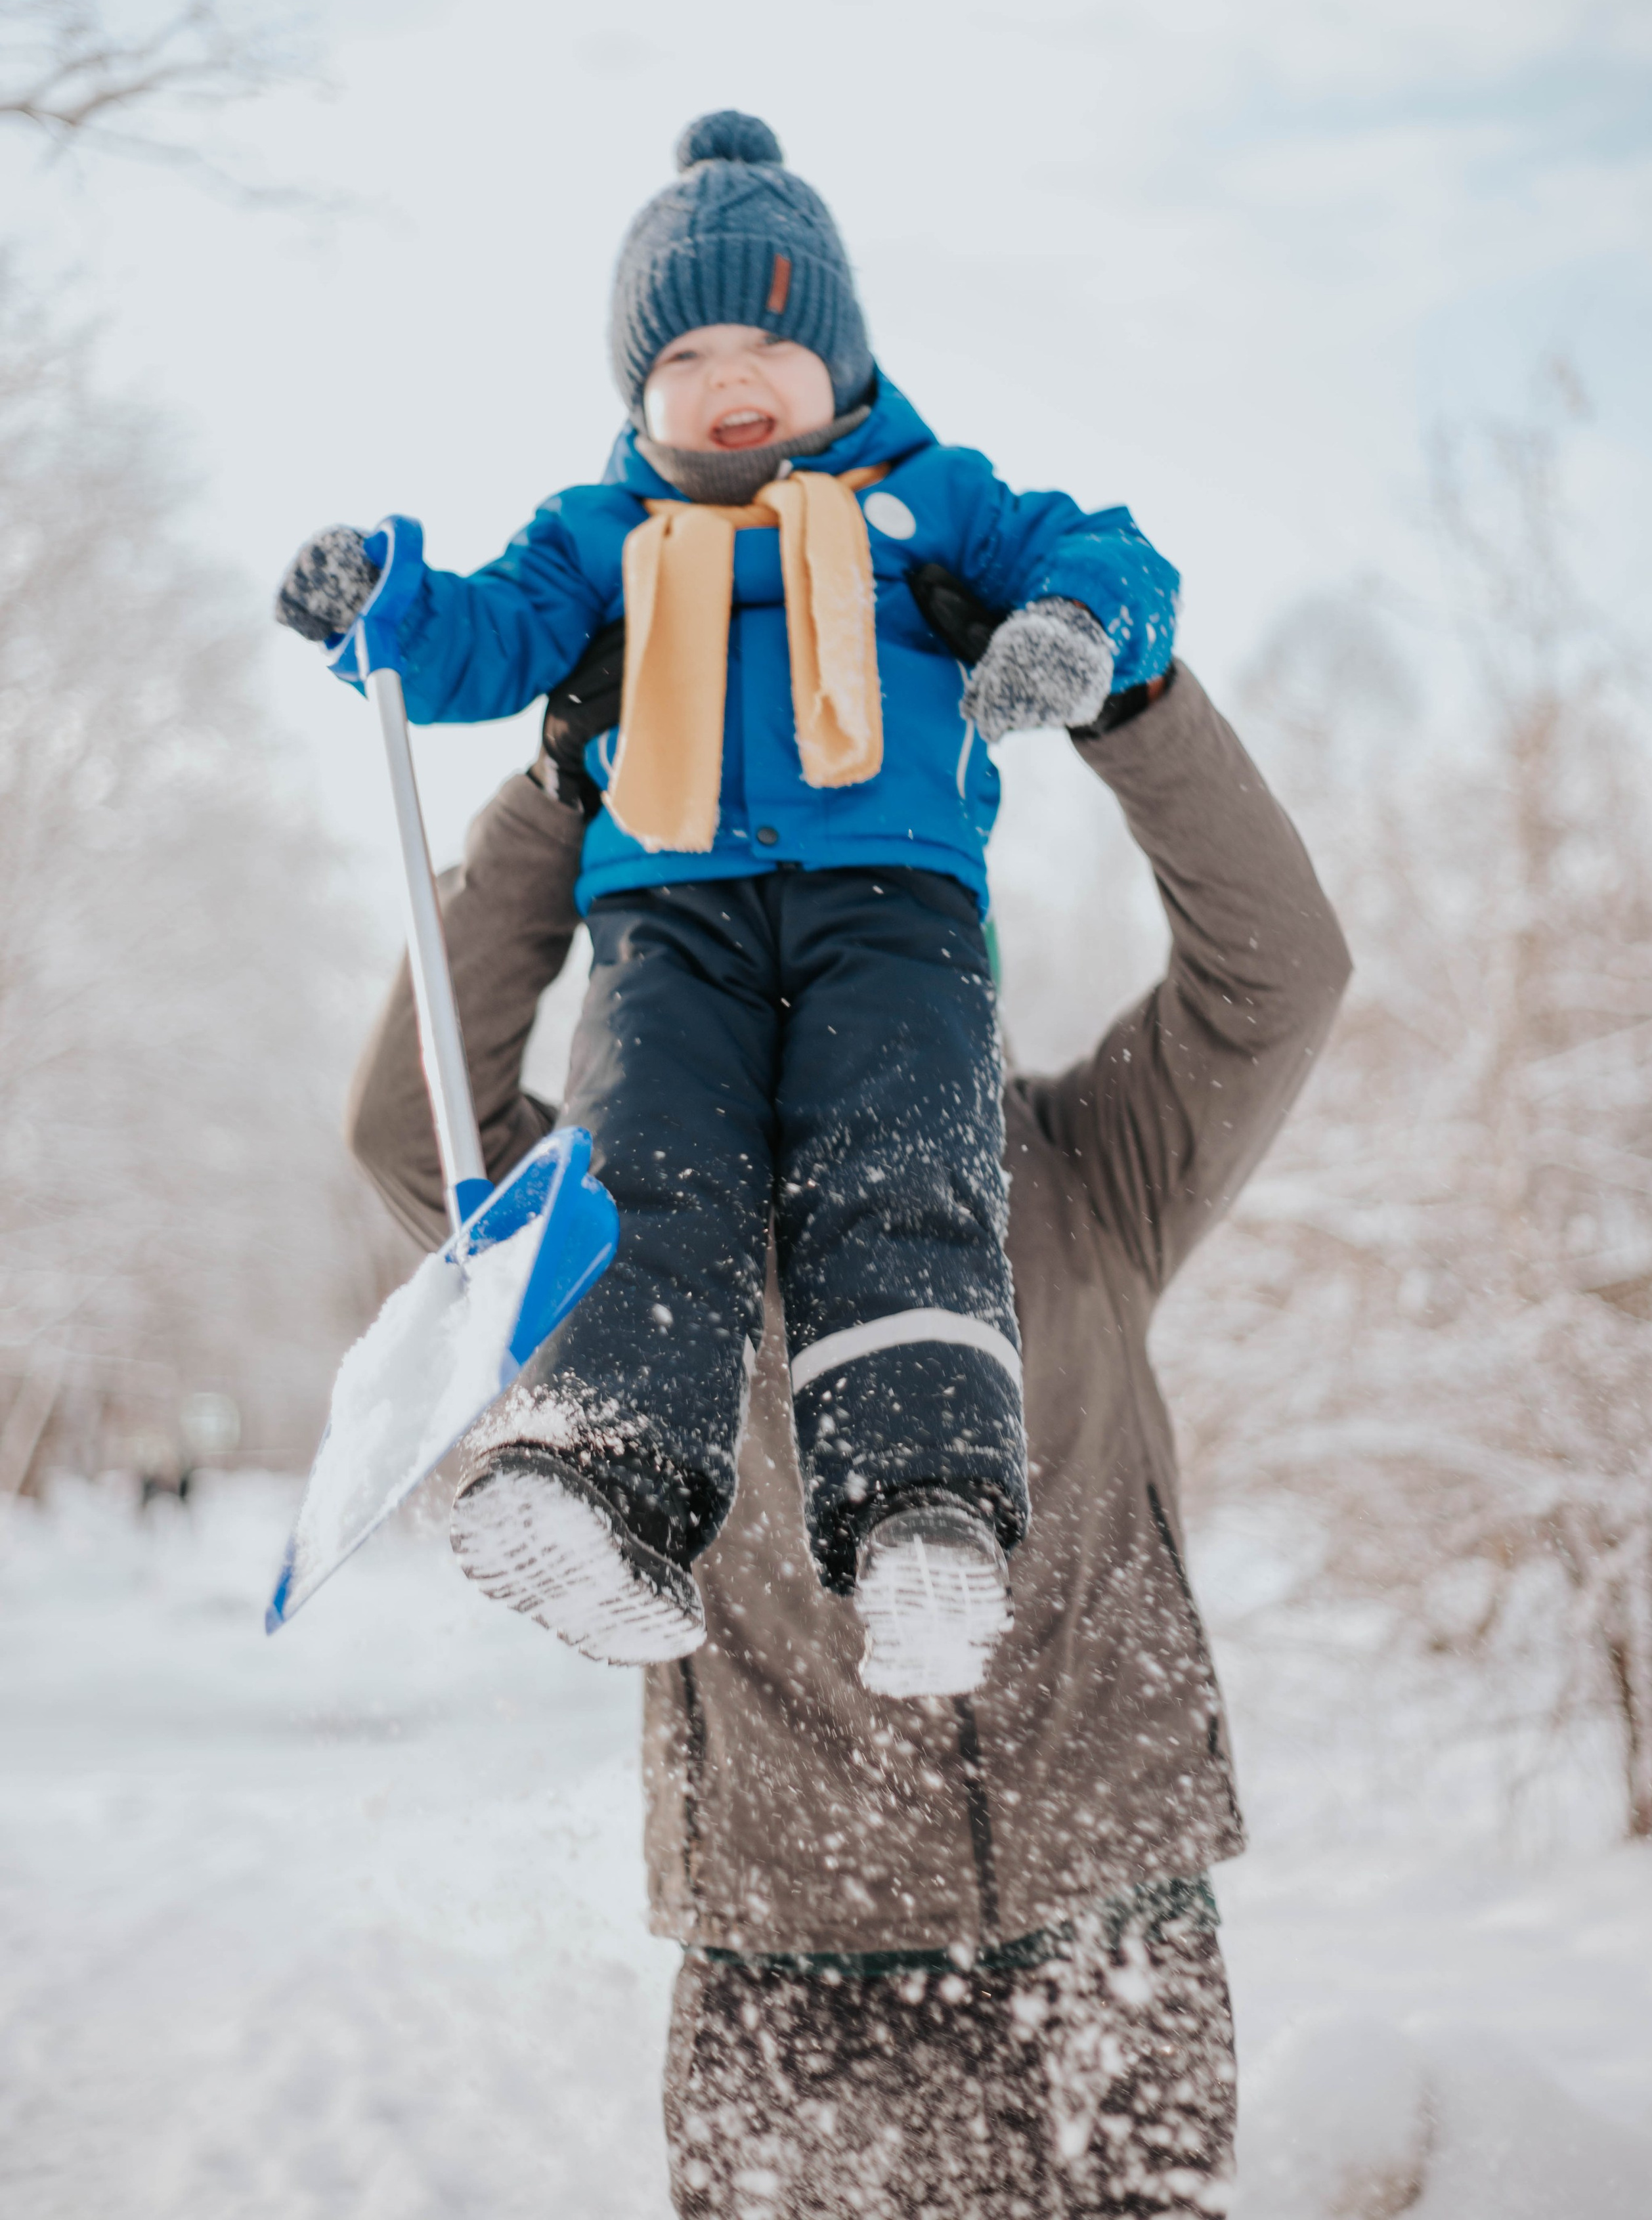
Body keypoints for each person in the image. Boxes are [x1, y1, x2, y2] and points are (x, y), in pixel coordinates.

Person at [347, 636, 1351, 2217]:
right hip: (785, 1941)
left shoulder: (1086, 1169)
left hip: (1111, 1908)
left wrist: (1133, 704)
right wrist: (560, 794)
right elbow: (416, 1128)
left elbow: (1281, 973)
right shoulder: (625, 1240)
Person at [275, 110, 1179, 1700]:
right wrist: (390, 607)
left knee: (898, 1169)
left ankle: (920, 1515)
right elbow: (482, 641)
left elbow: (1104, 553)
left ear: (841, 355)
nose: (728, 370)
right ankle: (598, 1487)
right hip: (666, 919)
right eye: (682, 351)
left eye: (768, 331)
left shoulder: (931, 494)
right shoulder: (601, 534)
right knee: (647, 1175)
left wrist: (1070, 626)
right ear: (637, 392)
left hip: (889, 901)